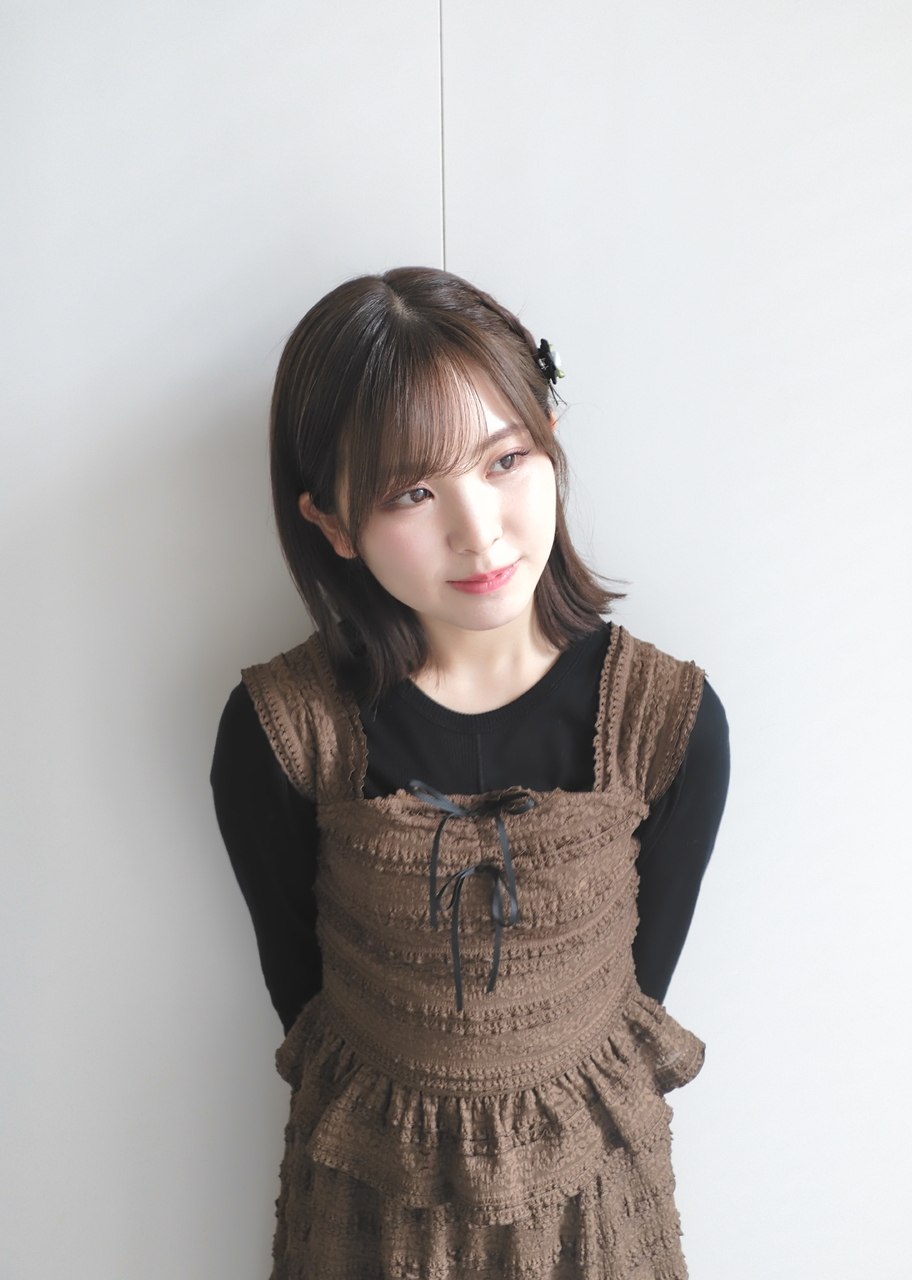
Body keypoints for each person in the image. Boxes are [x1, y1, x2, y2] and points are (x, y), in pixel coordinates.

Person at [210, 266, 730, 1279]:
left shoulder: (665, 723)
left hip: (595, 1220)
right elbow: (306, 1003)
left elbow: (633, 1003)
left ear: (551, 442)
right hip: (368, 1215)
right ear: (332, 522)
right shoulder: (283, 732)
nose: (479, 528)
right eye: (413, 491)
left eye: (504, 460)